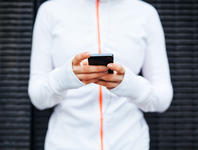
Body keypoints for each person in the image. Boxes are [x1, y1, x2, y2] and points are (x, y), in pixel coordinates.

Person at [28, 0, 173, 149]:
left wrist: (129, 85)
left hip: (130, 142)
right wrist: (65, 78)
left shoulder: (145, 13)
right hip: (66, 142)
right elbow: (38, 97)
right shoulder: (50, 11)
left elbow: (162, 98)